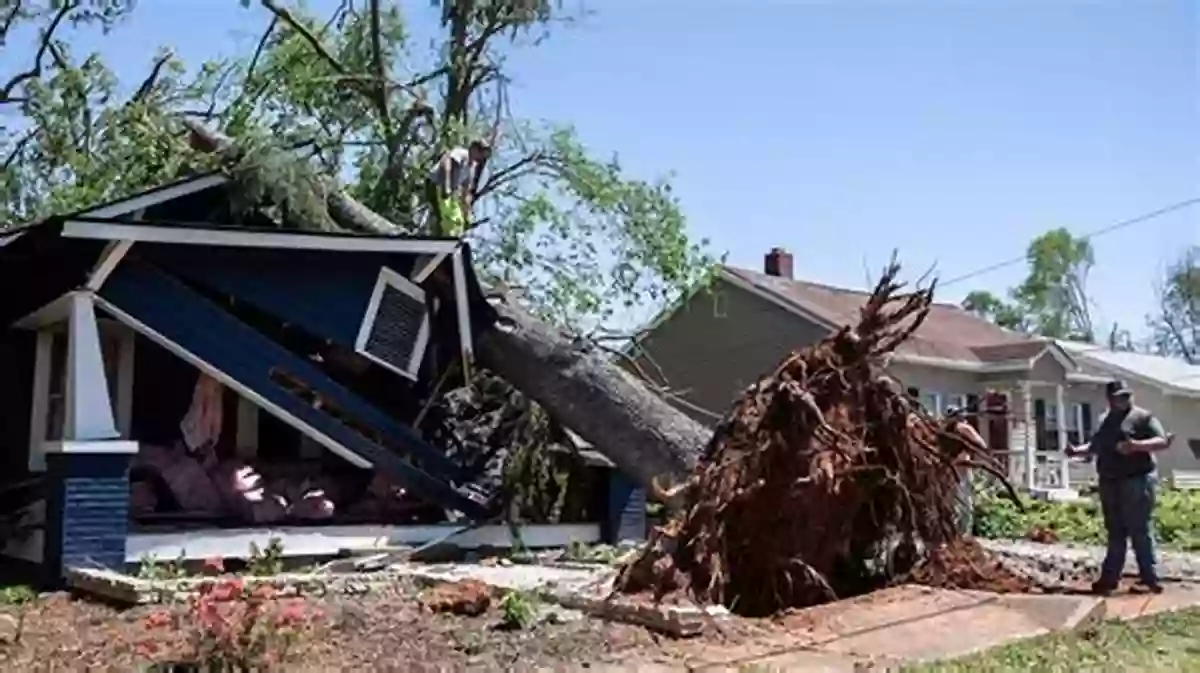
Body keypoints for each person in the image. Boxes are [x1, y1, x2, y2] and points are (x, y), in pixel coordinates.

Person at [1065, 380, 1171, 595]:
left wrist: (1136, 447)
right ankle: (1110, 578)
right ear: (1110, 399)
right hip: (1109, 481)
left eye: (1126, 396)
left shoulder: (1143, 418)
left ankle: (1150, 578)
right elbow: (1096, 446)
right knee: (1115, 532)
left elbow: (1162, 441)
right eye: (1118, 396)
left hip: (1137, 479)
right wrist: (1077, 451)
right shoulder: (1106, 421)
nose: (1123, 400)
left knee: (1139, 529)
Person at [425, 139, 491, 237]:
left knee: (455, 218)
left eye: (483, 157)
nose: (480, 158)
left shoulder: (471, 168)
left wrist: (466, 213)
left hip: (448, 192)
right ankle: (438, 238)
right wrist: (447, 185)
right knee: (443, 217)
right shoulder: (461, 154)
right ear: (473, 149)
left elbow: (466, 193)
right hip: (436, 183)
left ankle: (447, 237)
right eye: (480, 153)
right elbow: (446, 162)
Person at [945, 406, 986, 536]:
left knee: (965, 500)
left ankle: (965, 533)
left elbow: (981, 444)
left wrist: (966, 450)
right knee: (952, 501)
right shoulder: (945, 430)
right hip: (949, 470)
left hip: (962, 469)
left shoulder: (965, 429)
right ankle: (953, 531)